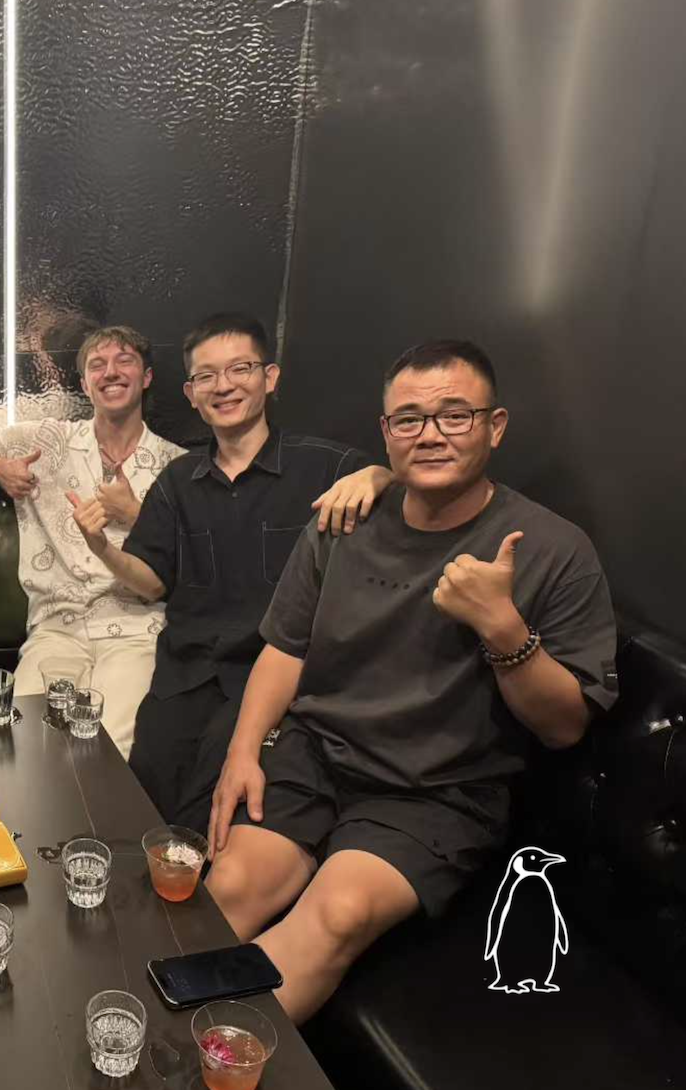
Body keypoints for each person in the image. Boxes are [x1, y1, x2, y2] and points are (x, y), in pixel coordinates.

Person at [202, 341, 617, 1024]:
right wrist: (242, 754)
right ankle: (138, 1039)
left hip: (438, 791)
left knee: (337, 913)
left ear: (495, 426)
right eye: (409, 419)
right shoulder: (345, 516)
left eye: (455, 415)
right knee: (232, 885)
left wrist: (503, 629)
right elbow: (286, 646)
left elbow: (565, 726)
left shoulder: (554, 549)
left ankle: (207, 1059)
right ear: (386, 431)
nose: (430, 435)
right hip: (316, 753)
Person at [68, 313, 392, 823]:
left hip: (273, 675)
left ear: (270, 377)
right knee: (141, 794)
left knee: (206, 804)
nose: (223, 386)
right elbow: (151, 582)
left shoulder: (323, 465)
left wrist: (377, 476)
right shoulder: (177, 481)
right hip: (186, 674)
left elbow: (404, 484)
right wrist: (102, 548)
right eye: (206, 376)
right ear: (191, 394)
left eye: (240, 369)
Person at [0, 325, 186, 757]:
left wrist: (135, 514)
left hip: (134, 631)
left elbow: (189, 559)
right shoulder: (48, 440)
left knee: (111, 747)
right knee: (25, 743)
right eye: (97, 365)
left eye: (124, 361)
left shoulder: (176, 465)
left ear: (146, 377)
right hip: (56, 627)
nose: (110, 372)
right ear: (84, 384)